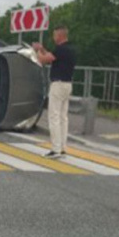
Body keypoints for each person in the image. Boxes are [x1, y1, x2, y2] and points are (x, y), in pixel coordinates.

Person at [33, 26, 77, 159]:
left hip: (57, 85)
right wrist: (42, 49)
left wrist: (37, 51)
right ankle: (63, 147)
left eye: (55, 35)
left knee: (54, 117)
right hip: (68, 84)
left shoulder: (60, 49)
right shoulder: (70, 49)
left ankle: (55, 149)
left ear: (60, 36)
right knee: (63, 117)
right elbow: (51, 56)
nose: (54, 38)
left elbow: (43, 60)